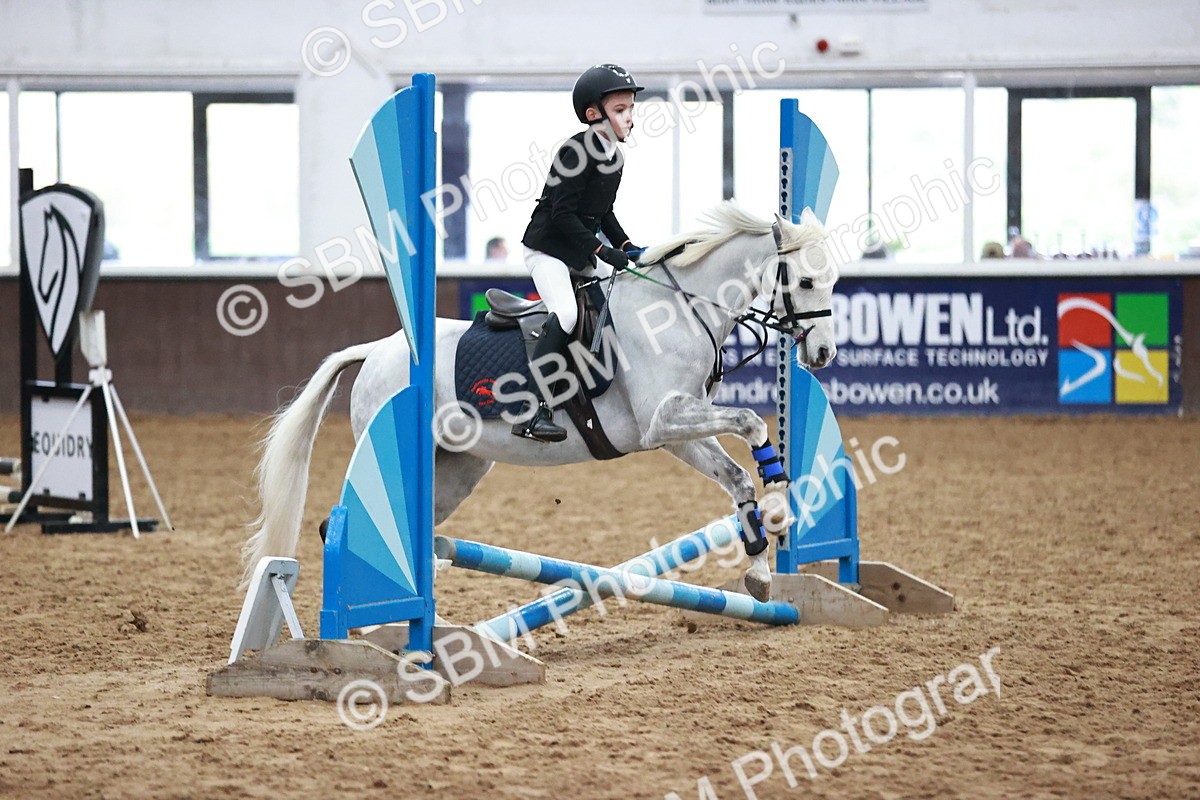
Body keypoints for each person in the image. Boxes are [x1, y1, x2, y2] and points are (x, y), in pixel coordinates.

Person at [515, 63, 644, 442]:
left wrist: (627, 246)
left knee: (621, 299)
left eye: (631, 109)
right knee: (567, 314)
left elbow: (604, 213)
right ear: (593, 114)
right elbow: (562, 214)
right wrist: (603, 251)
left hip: (579, 253)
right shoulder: (575, 151)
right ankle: (531, 411)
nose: (630, 119)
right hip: (548, 250)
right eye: (620, 110)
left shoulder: (615, 158)